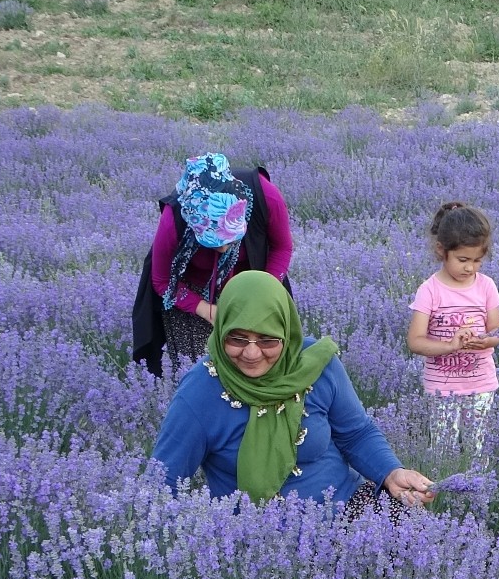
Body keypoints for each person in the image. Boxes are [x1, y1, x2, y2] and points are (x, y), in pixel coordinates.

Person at [152, 270, 435, 513]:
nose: (252, 353)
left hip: (344, 508)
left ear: (287, 334)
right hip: (257, 539)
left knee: (415, 536)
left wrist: (391, 471)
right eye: (237, 338)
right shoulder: (201, 390)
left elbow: (356, 433)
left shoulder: (315, 364)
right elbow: (163, 481)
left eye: (267, 340)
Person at [131, 152, 294, 377]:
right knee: (204, 372)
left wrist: (264, 290)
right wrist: (206, 310)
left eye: (230, 239)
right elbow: (162, 280)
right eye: (212, 241)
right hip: (193, 294)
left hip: (254, 279)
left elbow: (282, 248)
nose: (224, 249)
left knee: (262, 361)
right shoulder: (174, 218)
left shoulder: (265, 196)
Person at [405, 202, 499, 456]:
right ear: (441, 251)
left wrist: (487, 341)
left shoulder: (486, 286)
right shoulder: (430, 290)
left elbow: (497, 329)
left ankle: (476, 492)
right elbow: (415, 341)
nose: (470, 268)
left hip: (481, 381)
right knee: (443, 448)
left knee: (477, 447)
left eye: (477, 261)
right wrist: (450, 345)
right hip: (442, 386)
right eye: (463, 260)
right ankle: (446, 494)